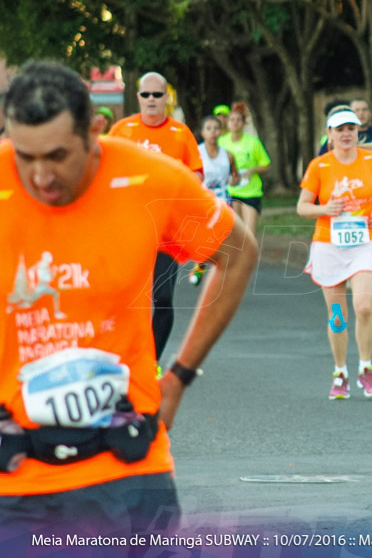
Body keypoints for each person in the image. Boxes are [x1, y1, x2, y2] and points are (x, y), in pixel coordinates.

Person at [0, 61, 257, 540]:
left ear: (95, 130)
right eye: (24, 155)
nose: (40, 176)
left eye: (57, 155)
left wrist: (179, 375)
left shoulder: (149, 179)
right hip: (15, 476)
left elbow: (238, 253)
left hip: (127, 467)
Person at [298, 108, 372, 399]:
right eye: (339, 129)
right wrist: (323, 209)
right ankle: (340, 372)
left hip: (364, 242)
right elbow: (302, 206)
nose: (346, 134)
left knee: (364, 306)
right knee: (337, 316)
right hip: (329, 245)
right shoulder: (319, 166)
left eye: (351, 128)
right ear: (329, 134)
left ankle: (366, 368)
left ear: (357, 132)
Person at [108, 72, 204, 361]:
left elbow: (196, 176)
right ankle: (127, 356)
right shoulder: (121, 131)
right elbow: (101, 172)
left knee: (162, 298)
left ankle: (151, 361)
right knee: (127, 300)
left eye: (157, 95)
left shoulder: (180, 133)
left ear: (166, 98)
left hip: (166, 232)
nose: (151, 100)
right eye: (146, 94)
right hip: (128, 231)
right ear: (138, 97)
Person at [189, 115, 240, 286]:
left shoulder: (228, 155)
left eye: (216, 128)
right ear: (202, 132)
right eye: (208, 129)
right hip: (203, 203)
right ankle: (200, 266)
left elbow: (235, 176)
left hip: (224, 202)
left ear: (221, 131)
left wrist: (235, 180)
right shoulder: (197, 153)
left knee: (223, 239)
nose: (213, 132)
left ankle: (222, 274)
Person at [219, 102, 271, 237]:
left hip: (251, 192)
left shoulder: (253, 142)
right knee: (235, 233)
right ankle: (237, 258)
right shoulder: (221, 142)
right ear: (228, 122)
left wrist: (252, 170)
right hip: (231, 191)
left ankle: (250, 258)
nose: (235, 123)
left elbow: (266, 164)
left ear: (243, 123)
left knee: (249, 234)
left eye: (238, 120)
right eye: (232, 120)